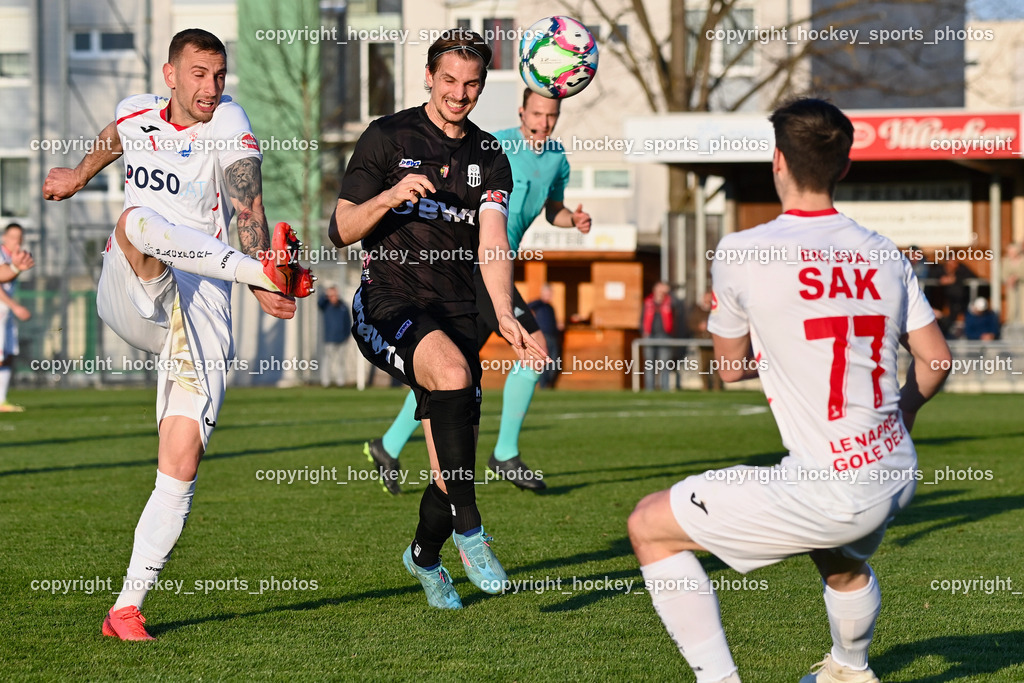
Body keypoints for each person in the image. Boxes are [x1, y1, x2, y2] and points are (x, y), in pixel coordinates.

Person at [628, 98, 951, 683]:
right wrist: (898, 418)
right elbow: (935, 361)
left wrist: (768, 354)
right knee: (841, 558)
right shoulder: (885, 254)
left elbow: (728, 368)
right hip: (895, 468)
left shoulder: (743, 253)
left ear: (777, 161)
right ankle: (848, 670)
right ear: (844, 167)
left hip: (833, 486)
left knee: (648, 524)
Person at [43, 28, 313, 640]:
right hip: (132, 284)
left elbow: (248, 206)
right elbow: (117, 136)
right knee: (137, 220)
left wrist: (258, 282)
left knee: (181, 461)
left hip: (202, 302)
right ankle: (256, 270)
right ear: (170, 75)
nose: (210, 88)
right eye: (197, 74)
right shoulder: (134, 110)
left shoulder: (229, 122)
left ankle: (126, 606)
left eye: (218, 75)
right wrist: (78, 176)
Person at [328, 30, 548, 609]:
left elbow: (493, 242)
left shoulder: (489, 157)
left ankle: (425, 559)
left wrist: (504, 315)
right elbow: (342, 228)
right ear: (429, 76)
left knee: (449, 469)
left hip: (455, 315)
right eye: (448, 80)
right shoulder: (386, 136)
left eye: (471, 83)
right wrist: (389, 197)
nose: (459, 93)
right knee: (452, 377)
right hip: (388, 301)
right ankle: (472, 529)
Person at [361, 86, 591, 494]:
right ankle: (504, 453)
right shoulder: (493, 146)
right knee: (537, 352)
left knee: (451, 372)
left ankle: (387, 445)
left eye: (551, 116)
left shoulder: (558, 159)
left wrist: (572, 219)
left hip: (498, 269)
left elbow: (552, 207)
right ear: (522, 111)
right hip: (470, 268)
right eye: (536, 114)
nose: (543, 123)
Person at [0, 223, 35, 412]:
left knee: (8, 355)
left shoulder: (12, 257)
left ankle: (1, 400)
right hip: (3, 309)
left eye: (20, 237)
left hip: (5, 312)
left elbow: (6, 273)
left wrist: (15, 267)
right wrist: (15, 306)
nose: (17, 241)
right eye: (13, 237)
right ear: (4, 237)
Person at [640, 281, 675, 391]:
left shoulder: (671, 302)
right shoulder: (647, 302)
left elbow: (677, 318)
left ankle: (665, 388)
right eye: (659, 289)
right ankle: (649, 388)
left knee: (664, 364)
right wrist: (643, 331)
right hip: (650, 336)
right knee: (650, 364)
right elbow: (641, 319)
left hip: (665, 336)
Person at [528, 283, 561, 388]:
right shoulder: (539, 304)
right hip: (543, 336)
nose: (550, 295)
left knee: (554, 360)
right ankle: (543, 384)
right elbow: (527, 307)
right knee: (544, 360)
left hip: (553, 336)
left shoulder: (550, 307)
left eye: (551, 293)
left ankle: (548, 383)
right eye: (548, 293)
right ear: (543, 293)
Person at [318, 284, 351, 386]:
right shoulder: (326, 305)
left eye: (335, 294)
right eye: (331, 295)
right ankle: (325, 382)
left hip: (341, 339)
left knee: (340, 362)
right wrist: (326, 295)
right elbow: (319, 303)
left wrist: (347, 335)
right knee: (327, 361)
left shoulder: (343, 306)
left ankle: (340, 382)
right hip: (329, 339)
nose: (334, 297)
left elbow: (348, 322)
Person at [1001, 243, 1024, 325]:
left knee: (1022, 305)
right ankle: (1011, 322)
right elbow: (1003, 274)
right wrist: (1009, 279)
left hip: (1022, 286)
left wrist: (1017, 277)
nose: (1010, 254)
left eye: (1012, 252)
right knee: (1012, 305)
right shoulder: (1006, 261)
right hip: (1011, 287)